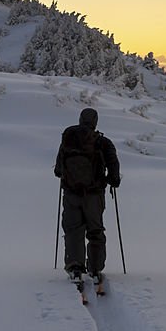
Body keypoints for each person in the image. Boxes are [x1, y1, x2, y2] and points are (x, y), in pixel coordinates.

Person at [54, 108, 121, 284]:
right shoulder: (102, 142)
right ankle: (95, 268)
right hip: (94, 194)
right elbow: (113, 165)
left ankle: (75, 266)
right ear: (95, 122)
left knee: (73, 229)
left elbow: (58, 169)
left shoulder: (68, 140)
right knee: (95, 230)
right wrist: (113, 180)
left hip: (71, 193)